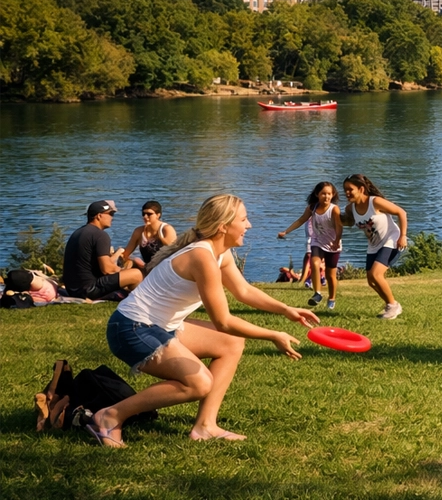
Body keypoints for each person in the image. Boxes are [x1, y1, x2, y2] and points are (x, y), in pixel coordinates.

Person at [86, 194, 318, 447]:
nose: (249, 225)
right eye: (244, 219)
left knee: (230, 343)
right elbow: (223, 321)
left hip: (159, 326)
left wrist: (285, 309)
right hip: (131, 328)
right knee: (199, 384)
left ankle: (205, 426)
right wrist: (273, 334)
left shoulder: (220, 254)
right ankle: (110, 416)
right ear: (223, 226)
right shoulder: (202, 257)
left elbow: (244, 291)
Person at [339, 174, 408, 319]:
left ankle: (393, 306)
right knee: (371, 280)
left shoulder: (375, 202)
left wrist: (402, 236)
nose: (346, 193)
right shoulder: (350, 208)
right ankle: (391, 305)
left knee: (376, 274)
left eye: (350, 189)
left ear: (361, 189)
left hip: (392, 239)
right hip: (374, 245)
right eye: (345, 189)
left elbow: (401, 212)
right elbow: (349, 222)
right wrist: (331, 216)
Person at [278, 182, 344, 310]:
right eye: (323, 194)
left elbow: (339, 226)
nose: (326, 196)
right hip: (317, 241)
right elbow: (301, 220)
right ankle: (317, 293)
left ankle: (332, 298)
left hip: (333, 244)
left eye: (329, 194)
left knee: (331, 275)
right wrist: (286, 231)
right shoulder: (312, 208)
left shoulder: (334, 209)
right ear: (317, 194)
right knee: (314, 263)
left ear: (333, 195)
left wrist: (337, 240)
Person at [63, 201, 142, 300]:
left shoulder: (78, 233)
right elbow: (107, 269)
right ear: (99, 216)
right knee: (136, 274)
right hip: (88, 290)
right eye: (110, 214)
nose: (112, 218)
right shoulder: (100, 235)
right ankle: (137, 301)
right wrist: (124, 272)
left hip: (73, 290)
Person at [117, 201, 177, 271]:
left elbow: (174, 252)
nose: (145, 216)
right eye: (143, 214)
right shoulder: (139, 231)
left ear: (158, 215)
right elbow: (126, 253)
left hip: (166, 269)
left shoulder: (166, 229)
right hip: (148, 269)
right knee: (134, 261)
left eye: (149, 214)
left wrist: (160, 237)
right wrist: (117, 255)